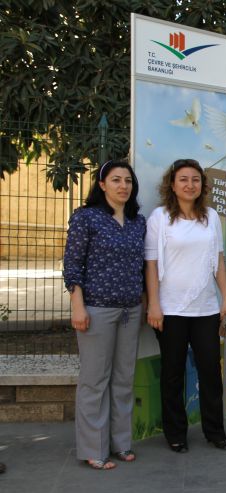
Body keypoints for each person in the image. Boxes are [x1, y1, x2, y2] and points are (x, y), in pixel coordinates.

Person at [145, 159, 226, 453]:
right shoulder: (159, 218)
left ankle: (215, 432)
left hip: (206, 309)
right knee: (173, 374)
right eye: (183, 179)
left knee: (211, 370)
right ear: (172, 184)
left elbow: (218, 261)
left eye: (195, 180)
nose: (190, 185)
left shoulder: (210, 217)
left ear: (202, 185)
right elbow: (151, 264)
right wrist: (154, 305)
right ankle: (176, 434)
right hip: (170, 310)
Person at [63, 160, 146, 470]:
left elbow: (143, 266)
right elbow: (73, 265)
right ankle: (93, 448)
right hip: (96, 309)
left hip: (130, 310)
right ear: (102, 185)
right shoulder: (87, 218)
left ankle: (121, 443)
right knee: (94, 380)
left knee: (124, 379)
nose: (123, 186)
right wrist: (78, 305)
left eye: (127, 181)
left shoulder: (139, 222)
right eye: (115, 180)